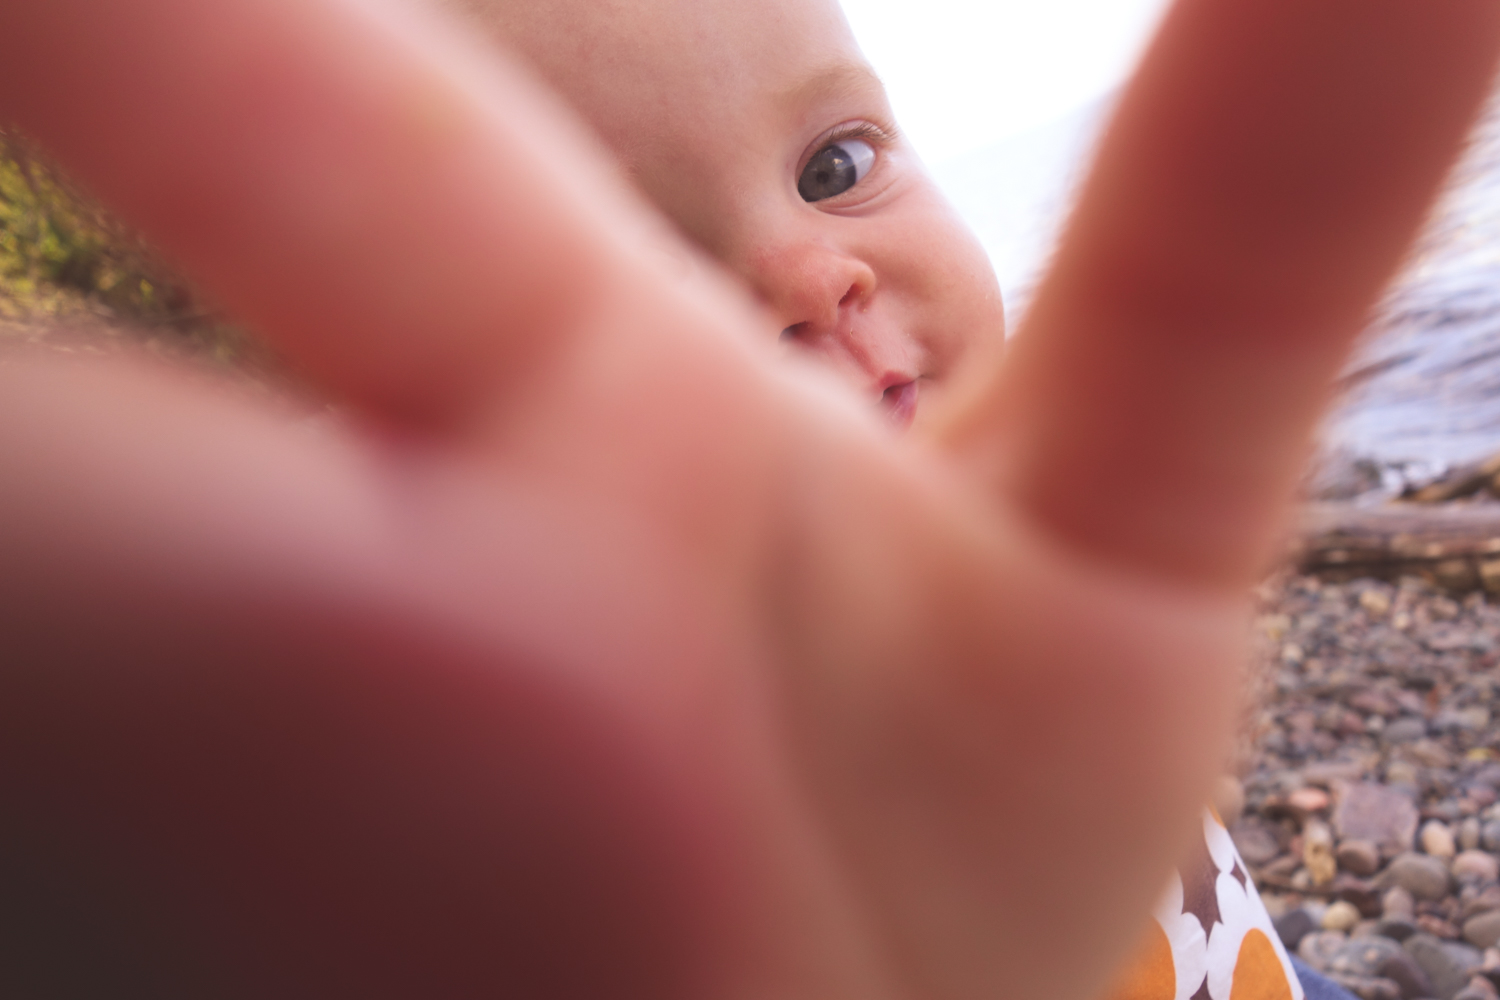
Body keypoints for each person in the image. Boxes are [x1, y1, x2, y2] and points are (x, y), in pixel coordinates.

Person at [0, 1, 1495, 999]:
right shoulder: (657, 866)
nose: (808, 269)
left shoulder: (1046, 607)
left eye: (836, 163)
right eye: (652, 268)